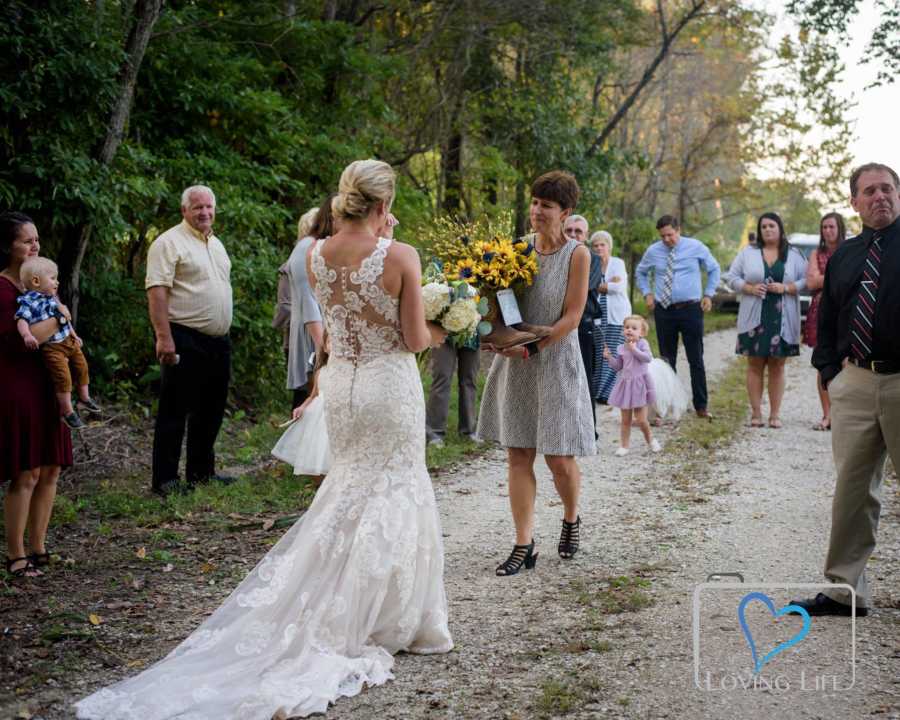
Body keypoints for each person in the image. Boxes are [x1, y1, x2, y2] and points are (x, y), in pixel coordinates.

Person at [75, 160, 452, 719]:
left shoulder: (316, 254)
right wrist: (450, 326)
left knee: (349, 486)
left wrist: (381, 240)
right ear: (382, 204)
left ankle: (343, 601)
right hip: (386, 384)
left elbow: (344, 309)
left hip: (341, 384)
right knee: (394, 486)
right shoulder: (401, 257)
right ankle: (393, 617)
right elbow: (414, 338)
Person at [791, 163, 900, 618]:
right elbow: (830, 316)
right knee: (852, 489)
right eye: (869, 191)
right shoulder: (845, 255)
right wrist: (832, 372)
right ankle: (844, 591)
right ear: (854, 202)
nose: (880, 197)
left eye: (888, 188)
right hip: (855, 381)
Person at [477, 170, 593, 576]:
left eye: (546, 205)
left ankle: (571, 515)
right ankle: (524, 544)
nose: (537, 211)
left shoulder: (578, 254)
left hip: (556, 359)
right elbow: (501, 305)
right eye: (534, 203)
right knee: (518, 453)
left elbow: (573, 316)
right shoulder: (515, 250)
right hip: (516, 364)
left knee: (559, 457)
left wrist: (537, 345)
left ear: (566, 212)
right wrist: (494, 335)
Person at [146, 185, 234, 496]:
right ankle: (165, 480)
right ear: (185, 210)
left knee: (211, 409)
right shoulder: (168, 243)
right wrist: (163, 337)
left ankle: (201, 472)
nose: (205, 212)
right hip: (183, 336)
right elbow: (157, 290)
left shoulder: (217, 244)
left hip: (217, 340)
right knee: (175, 410)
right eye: (198, 207)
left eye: (209, 207)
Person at [0, 212, 72, 578]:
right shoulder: (3, 289)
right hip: (17, 384)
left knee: (51, 468)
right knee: (25, 471)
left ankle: (39, 547)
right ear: (8, 247)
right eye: (26, 240)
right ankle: (15, 555)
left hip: (48, 384)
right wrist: (60, 319)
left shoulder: (41, 283)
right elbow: (21, 341)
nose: (34, 246)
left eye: (37, 239)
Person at [725, 212, 808, 428]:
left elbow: (807, 280)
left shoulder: (795, 254)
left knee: (778, 366)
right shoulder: (748, 253)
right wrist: (749, 288)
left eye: (772, 226)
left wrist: (787, 288)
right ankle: (756, 413)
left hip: (783, 317)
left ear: (780, 228)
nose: (768, 230)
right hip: (754, 317)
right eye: (763, 227)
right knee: (754, 363)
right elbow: (731, 277)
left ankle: (775, 414)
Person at [636, 215, 720, 418]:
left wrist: (708, 294)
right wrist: (647, 293)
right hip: (664, 310)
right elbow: (641, 272)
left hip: (690, 309)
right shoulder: (654, 251)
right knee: (666, 360)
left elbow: (714, 269)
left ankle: (701, 406)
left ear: (678, 230)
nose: (666, 239)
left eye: (670, 235)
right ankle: (667, 405)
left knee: (695, 358)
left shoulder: (695, 247)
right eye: (663, 236)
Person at [16, 257, 101, 429]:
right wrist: (26, 335)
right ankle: (67, 411)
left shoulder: (53, 298)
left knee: (82, 367)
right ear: (36, 281)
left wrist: (74, 335)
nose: (57, 281)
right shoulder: (29, 301)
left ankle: (85, 398)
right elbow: (21, 319)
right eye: (53, 278)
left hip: (68, 341)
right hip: (52, 348)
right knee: (63, 378)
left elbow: (65, 319)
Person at [804, 212, 846, 430]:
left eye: (831, 226)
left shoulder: (850, 251)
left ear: (840, 227)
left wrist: (824, 277)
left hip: (845, 311)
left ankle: (843, 415)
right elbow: (811, 283)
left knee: (847, 363)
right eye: (824, 227)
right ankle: (827, 414)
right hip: (820, 312)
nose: (827, 231)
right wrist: (837, 275)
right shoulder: (816, 253)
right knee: (823, 362)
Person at [273, 206, 319, 410]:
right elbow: (285, 305)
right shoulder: (291, 265)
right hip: (300, 335)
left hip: (314, 333)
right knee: (304, 391)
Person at [271, 332, 331, 484]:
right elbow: (314, 395)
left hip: (335, 412)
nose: (334, 346)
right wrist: (302, 407)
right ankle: (320, 482)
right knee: (317, 449)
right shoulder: (321, 370)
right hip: (319, 413)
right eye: (330, 342)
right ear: (324, 346)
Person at [285, 204, 325, 411]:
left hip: (318, 325)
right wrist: (322, 345)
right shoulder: (303, 251)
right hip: (310, 330)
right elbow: (307, 302)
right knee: (308, 394)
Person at [566, 215, 602, 440]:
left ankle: (589, 434)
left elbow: (582, 286)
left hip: (582, 327)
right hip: (554, 328)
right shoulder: (552, 255)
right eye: (569, 230)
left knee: (584, 380)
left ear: (586, 235)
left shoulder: (593, 259)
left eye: (578, 231)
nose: (573, 235)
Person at [603, 314, 661, 456]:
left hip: (640, 385)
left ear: (641, 332)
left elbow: (647, 358)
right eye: (627, 327)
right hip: (626, 385)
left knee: (641, 420)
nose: (629, 330)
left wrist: (634, 349)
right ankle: (624, 446)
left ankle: (651, 440)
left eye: (634, 328)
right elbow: (618, 366)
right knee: (625, 420)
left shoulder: (642, 344)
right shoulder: (621, 347)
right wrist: (609, 357)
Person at [590, 230, 631, 404]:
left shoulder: (618, 263)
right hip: (598, 315)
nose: (599, 248)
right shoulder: (592, 264)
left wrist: (602, 285)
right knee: (600, 352)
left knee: (614, 352)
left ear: (609, 247)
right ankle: (597, 391)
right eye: (595, 245)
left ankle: (609, 394)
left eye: (602, 245)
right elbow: (589, 287)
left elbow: (619, 287)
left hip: (617, 315)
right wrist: (606, 284)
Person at [425, 336, 481, 447]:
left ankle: (468, 431)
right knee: (442, 378)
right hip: (444, 331)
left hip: (472, 332)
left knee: (469, 379)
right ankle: (434, 433)